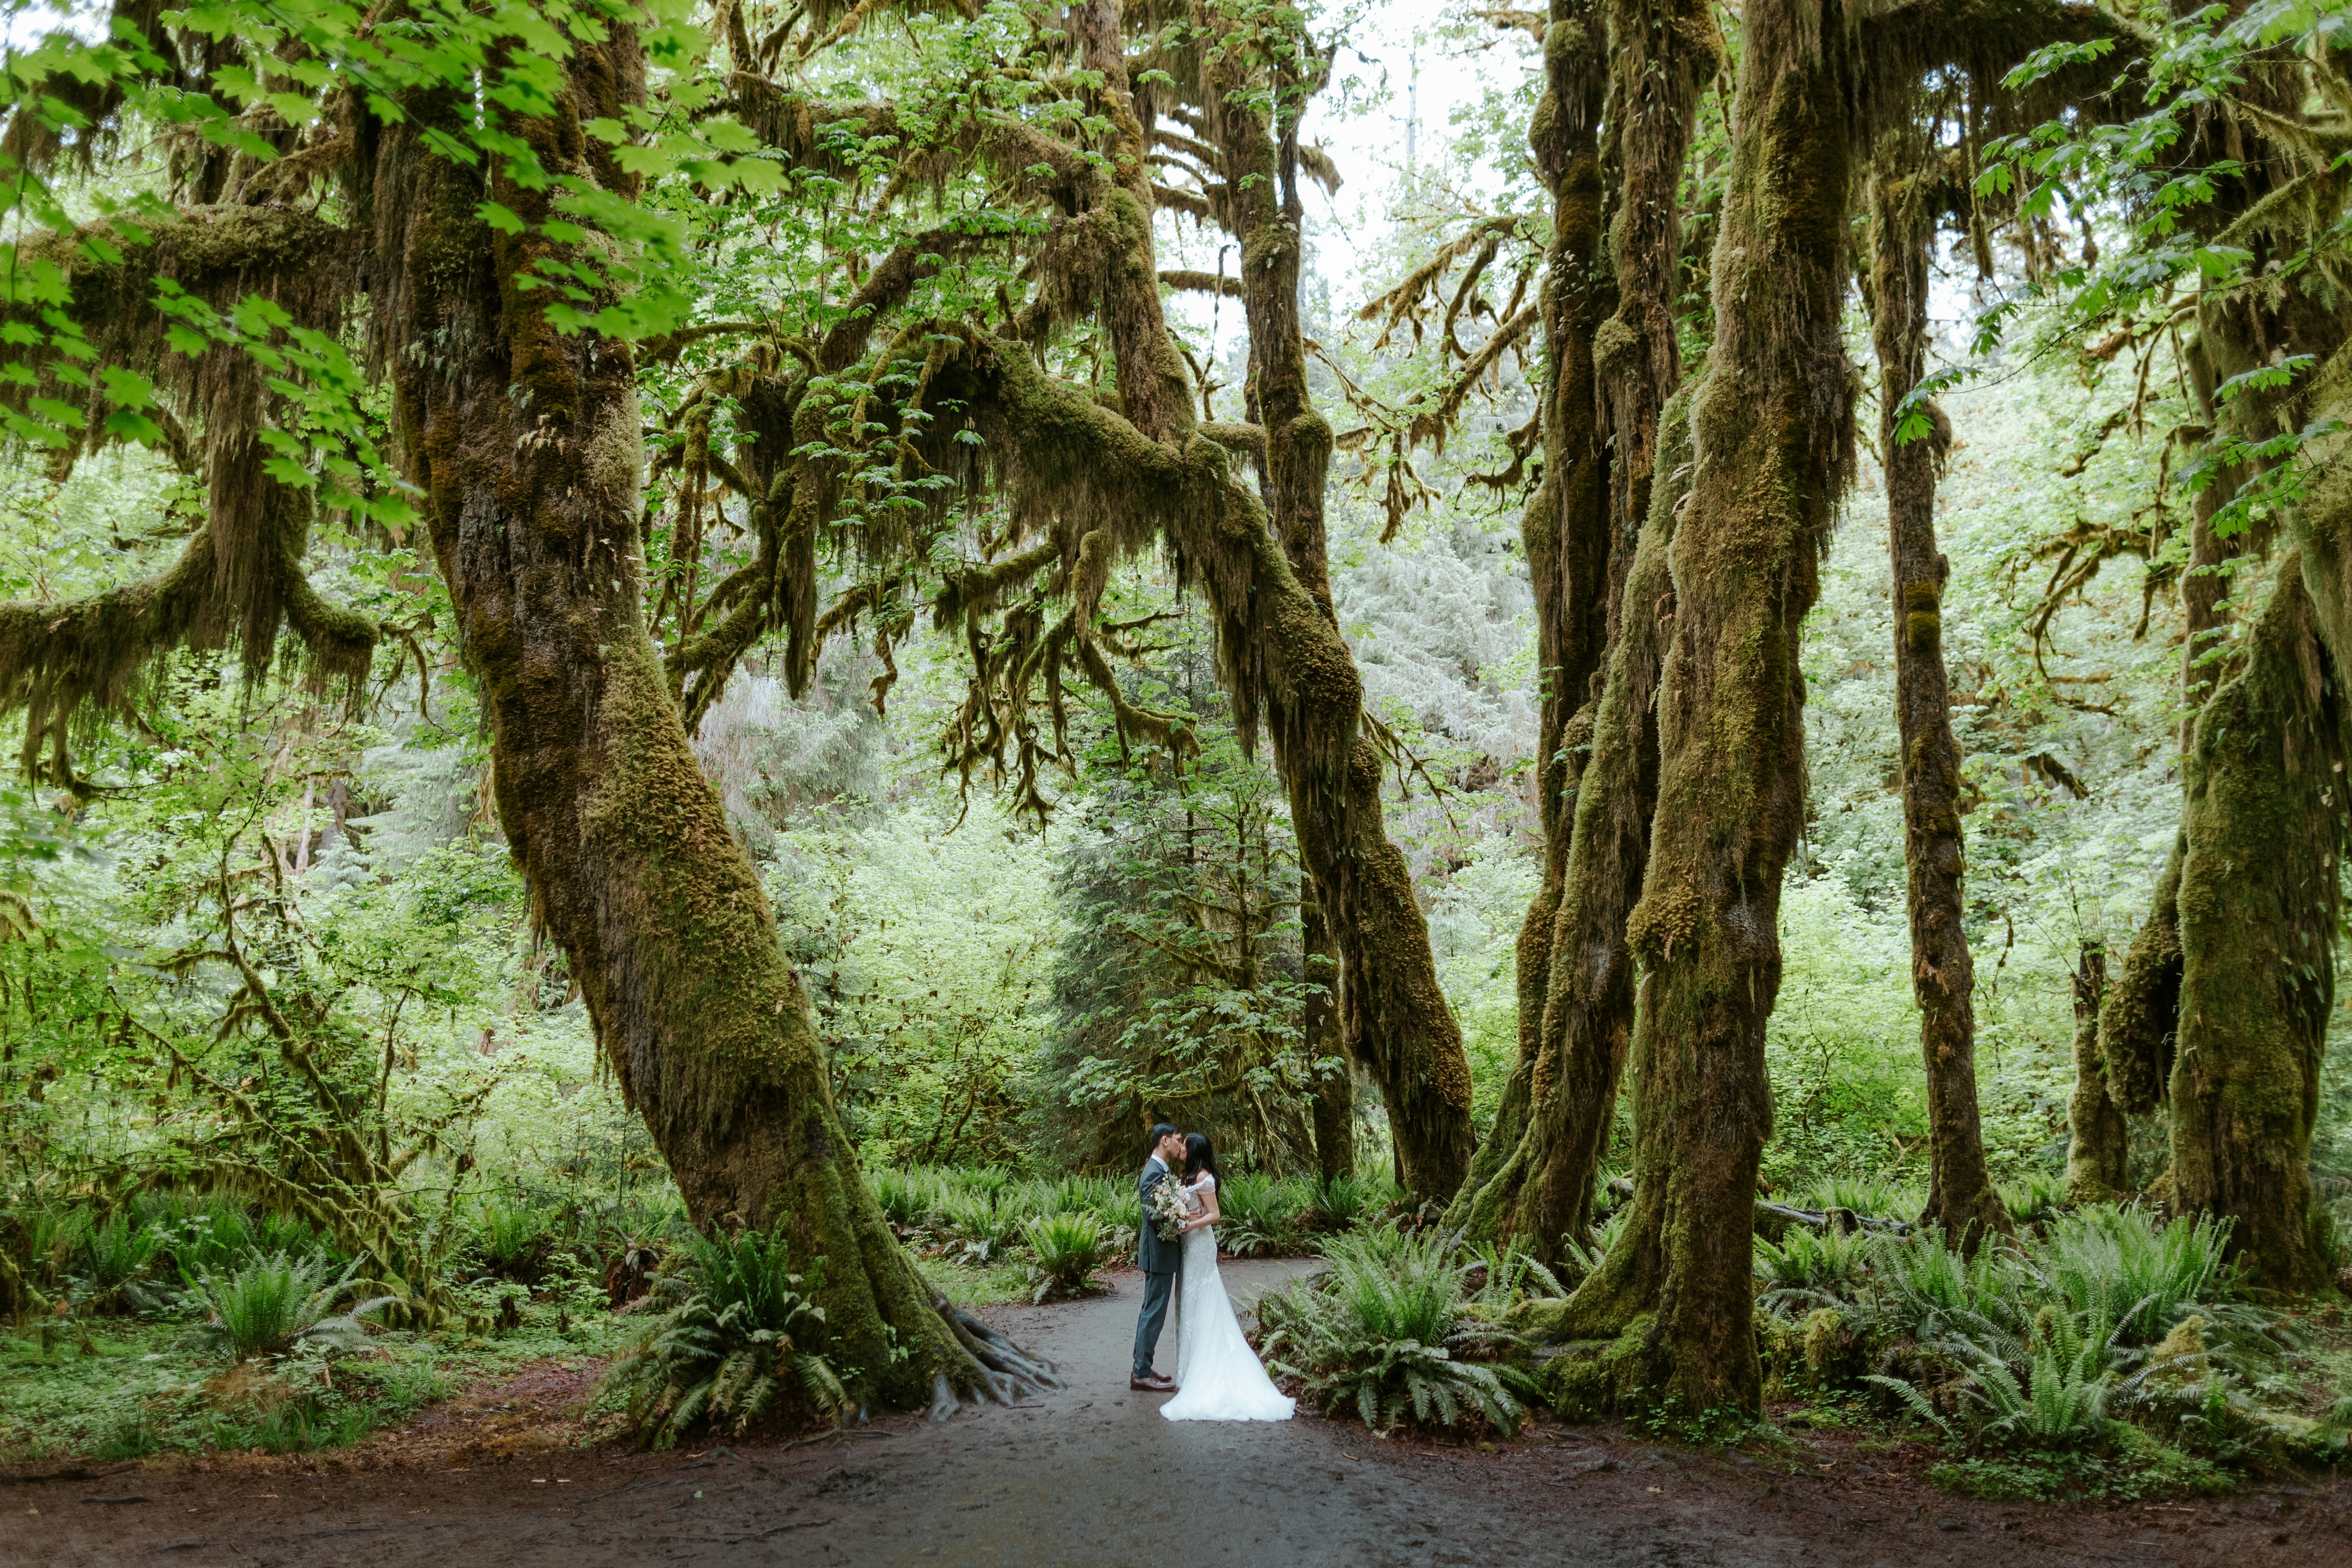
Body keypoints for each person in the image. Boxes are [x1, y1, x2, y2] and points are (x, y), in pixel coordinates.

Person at [1160, 1133, 1294, 1422]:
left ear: (1194, 1150)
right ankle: (1189, 1370)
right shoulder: (1190, 1176)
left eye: (1184, 1145)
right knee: (1188, 1300)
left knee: (1203, 1300)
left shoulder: (1204, 1177)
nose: (1180, 1147)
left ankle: (1204, 1370)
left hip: (1199, 1245)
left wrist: (1186, 1225)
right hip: (1189, 1245)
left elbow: (1215, 1215)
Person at [1130, 1123, 1186, 1392]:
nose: (1180, 1144)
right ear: (1165, 1141)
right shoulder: (1153, 1172)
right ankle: (1140, 1373)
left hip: (1161, 1253)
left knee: (1152, 1311)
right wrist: (1182, 1217)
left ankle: (1144, 1366)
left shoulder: (1161, 1170)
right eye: (1177, 1140)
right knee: (1153, 1312)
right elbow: (1154, 1216)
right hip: (1158, 1254)